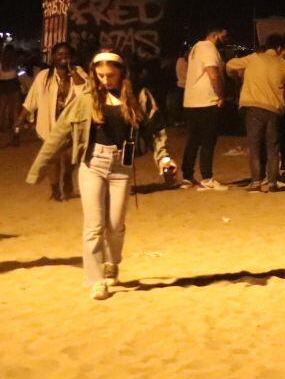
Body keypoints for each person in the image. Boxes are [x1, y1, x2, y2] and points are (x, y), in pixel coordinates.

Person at [25, 51, 176, 300]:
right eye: (101, 75)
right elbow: (59, 135)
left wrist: (164, 158)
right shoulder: (85, 98)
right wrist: (38, 169)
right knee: (94, 226)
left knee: (115, 225)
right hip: (92, 163)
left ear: (122, 73)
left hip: (121, 166)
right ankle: (95, 281)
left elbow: (156, 129)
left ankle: (112, 263)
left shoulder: (138, 96)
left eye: (111, 75)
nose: (106, 80)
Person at [15, 42, 88, 201]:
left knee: (69, 160)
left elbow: (85, 92)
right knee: (53, 161)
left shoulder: (79, 72)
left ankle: (67, 180)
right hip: (49, 125)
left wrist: (73, 73)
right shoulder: (43, 76)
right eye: (59, 54)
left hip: (71, 126)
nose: (63, 57)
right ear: (53, 57)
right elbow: (31, 100)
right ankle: (55, 190)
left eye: (66, 54)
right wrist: (20, 120)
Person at [226, 34, 285, 192]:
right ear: (279, 48)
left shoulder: (254, 58)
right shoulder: (284, 64)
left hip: (253, 107)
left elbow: (230, 64)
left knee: (255, 145)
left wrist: (237, 77)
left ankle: (256, 182)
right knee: (273, 147)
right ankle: (272, 182)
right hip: (274, 109)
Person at [181, 26, 228, 190]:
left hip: (192, 101)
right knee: (208, 141)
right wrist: (221, 95)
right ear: (216, 34)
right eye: (224, 36)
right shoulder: (209, 48)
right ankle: (207, 177)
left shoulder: (196, 47)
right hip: (206, 101)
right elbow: (213, 74)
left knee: (193, 140)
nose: (226, 39)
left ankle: (187, 176)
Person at [0, 44, 20, 146]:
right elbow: (18, 74)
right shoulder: (15, 63)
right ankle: (16, 131)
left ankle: (1, 127)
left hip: (3, 86)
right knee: (15, 111)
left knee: (2, 109)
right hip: (13, 85)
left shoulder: (1, 62)